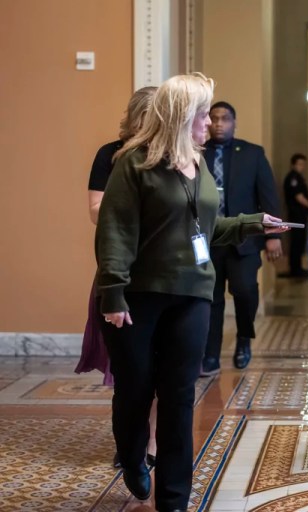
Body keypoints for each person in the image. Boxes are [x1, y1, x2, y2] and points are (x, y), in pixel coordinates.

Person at [96, 73, 288, 511]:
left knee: (180, 397)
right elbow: (116, 231)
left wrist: (251, 223)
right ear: (181, 115)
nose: (211, 121)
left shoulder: (197, 164)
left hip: (192, 295)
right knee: (135, 391)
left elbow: (204, 228)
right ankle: (131, 455)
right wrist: (112, 293)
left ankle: (175, 500)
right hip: (139, 294)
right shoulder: (134, 162)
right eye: (203, 113)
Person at [75, 86, 159, 469]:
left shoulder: (173, 154)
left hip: (164, 268)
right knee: (130, 366)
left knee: (162, 365)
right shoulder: (109, 154)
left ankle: (153, 442)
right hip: (122, 266)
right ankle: (131, 440)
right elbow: (95, 209)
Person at [200, 101, 283, 376]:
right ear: (207, 122)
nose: (219, 123)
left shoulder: (252, 153)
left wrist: (272, 237)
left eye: (225, 119)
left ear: (234, 123)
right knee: (210, 299)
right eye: (214, 118)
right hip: (208, 242)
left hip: (245, 241)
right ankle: (210, 355)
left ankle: (244, 342)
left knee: (246, 291)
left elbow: (267, 194)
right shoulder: (196, 152)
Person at [283, 153, 308, 277]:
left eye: (303, 164)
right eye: (300, 164)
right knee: (296, 241)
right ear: (293, 164)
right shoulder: (293, 178)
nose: (302, 167)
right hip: (296, 215)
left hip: (301, 215)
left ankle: (298, 267)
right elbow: (299, 196)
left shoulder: (298, 177)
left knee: (300, 242)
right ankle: (295, 269)